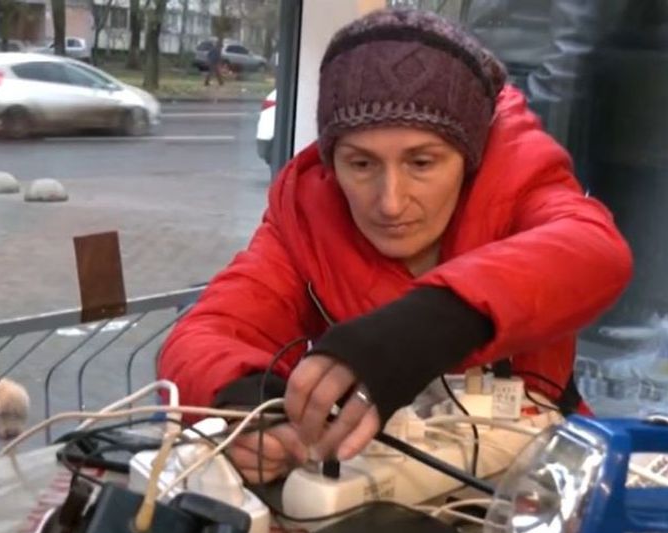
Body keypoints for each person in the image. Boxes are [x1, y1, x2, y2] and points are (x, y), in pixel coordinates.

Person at [159, 8, 633, 484]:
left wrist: (434, 324)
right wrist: (253, 409)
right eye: (361, 165)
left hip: (541, 484)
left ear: (469, 158)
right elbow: (204, 335)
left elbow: (593, 249)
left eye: (422, 163)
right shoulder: (304, 215)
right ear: (332, 162)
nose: (389, 202)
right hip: (373, 494)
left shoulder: (518, 179)